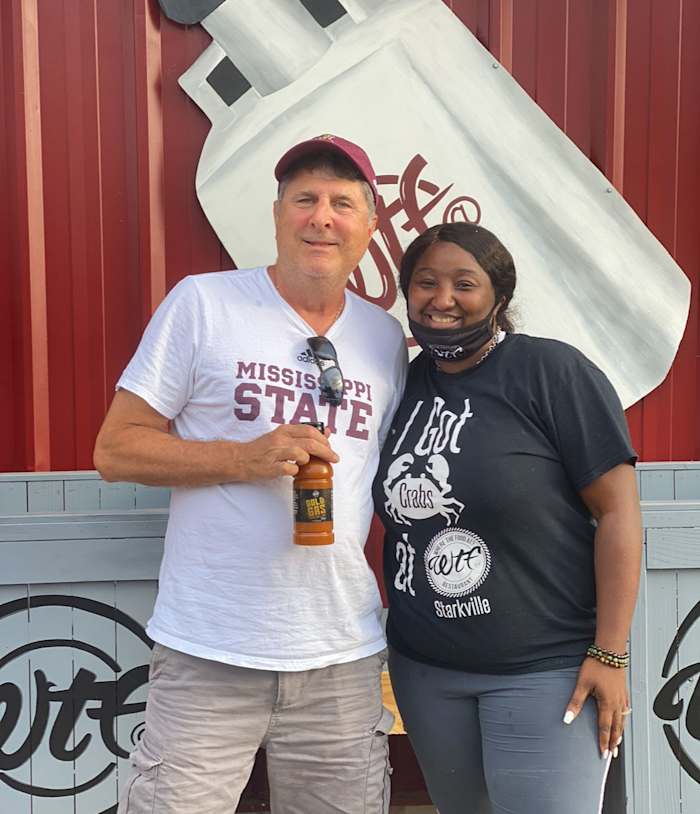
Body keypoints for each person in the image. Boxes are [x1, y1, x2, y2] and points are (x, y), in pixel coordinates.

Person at [94, 134, 407, 814]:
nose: (321, 217)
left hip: (338, 652)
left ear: (370, 227)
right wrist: (244, 457)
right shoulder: (203, 304)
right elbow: (115, 450)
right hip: (210, 646)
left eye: (342, 203)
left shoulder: (384, 338)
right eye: (305, 199)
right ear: (275, 215)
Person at [372, 222, 642, 814]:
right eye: (425, 283)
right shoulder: (402, 384)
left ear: (499, 296)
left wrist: (611, 653)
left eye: (463, 284)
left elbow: (619, 511)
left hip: (546, 672)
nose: (442, 299)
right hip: (427, 670)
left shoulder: (551, 373)